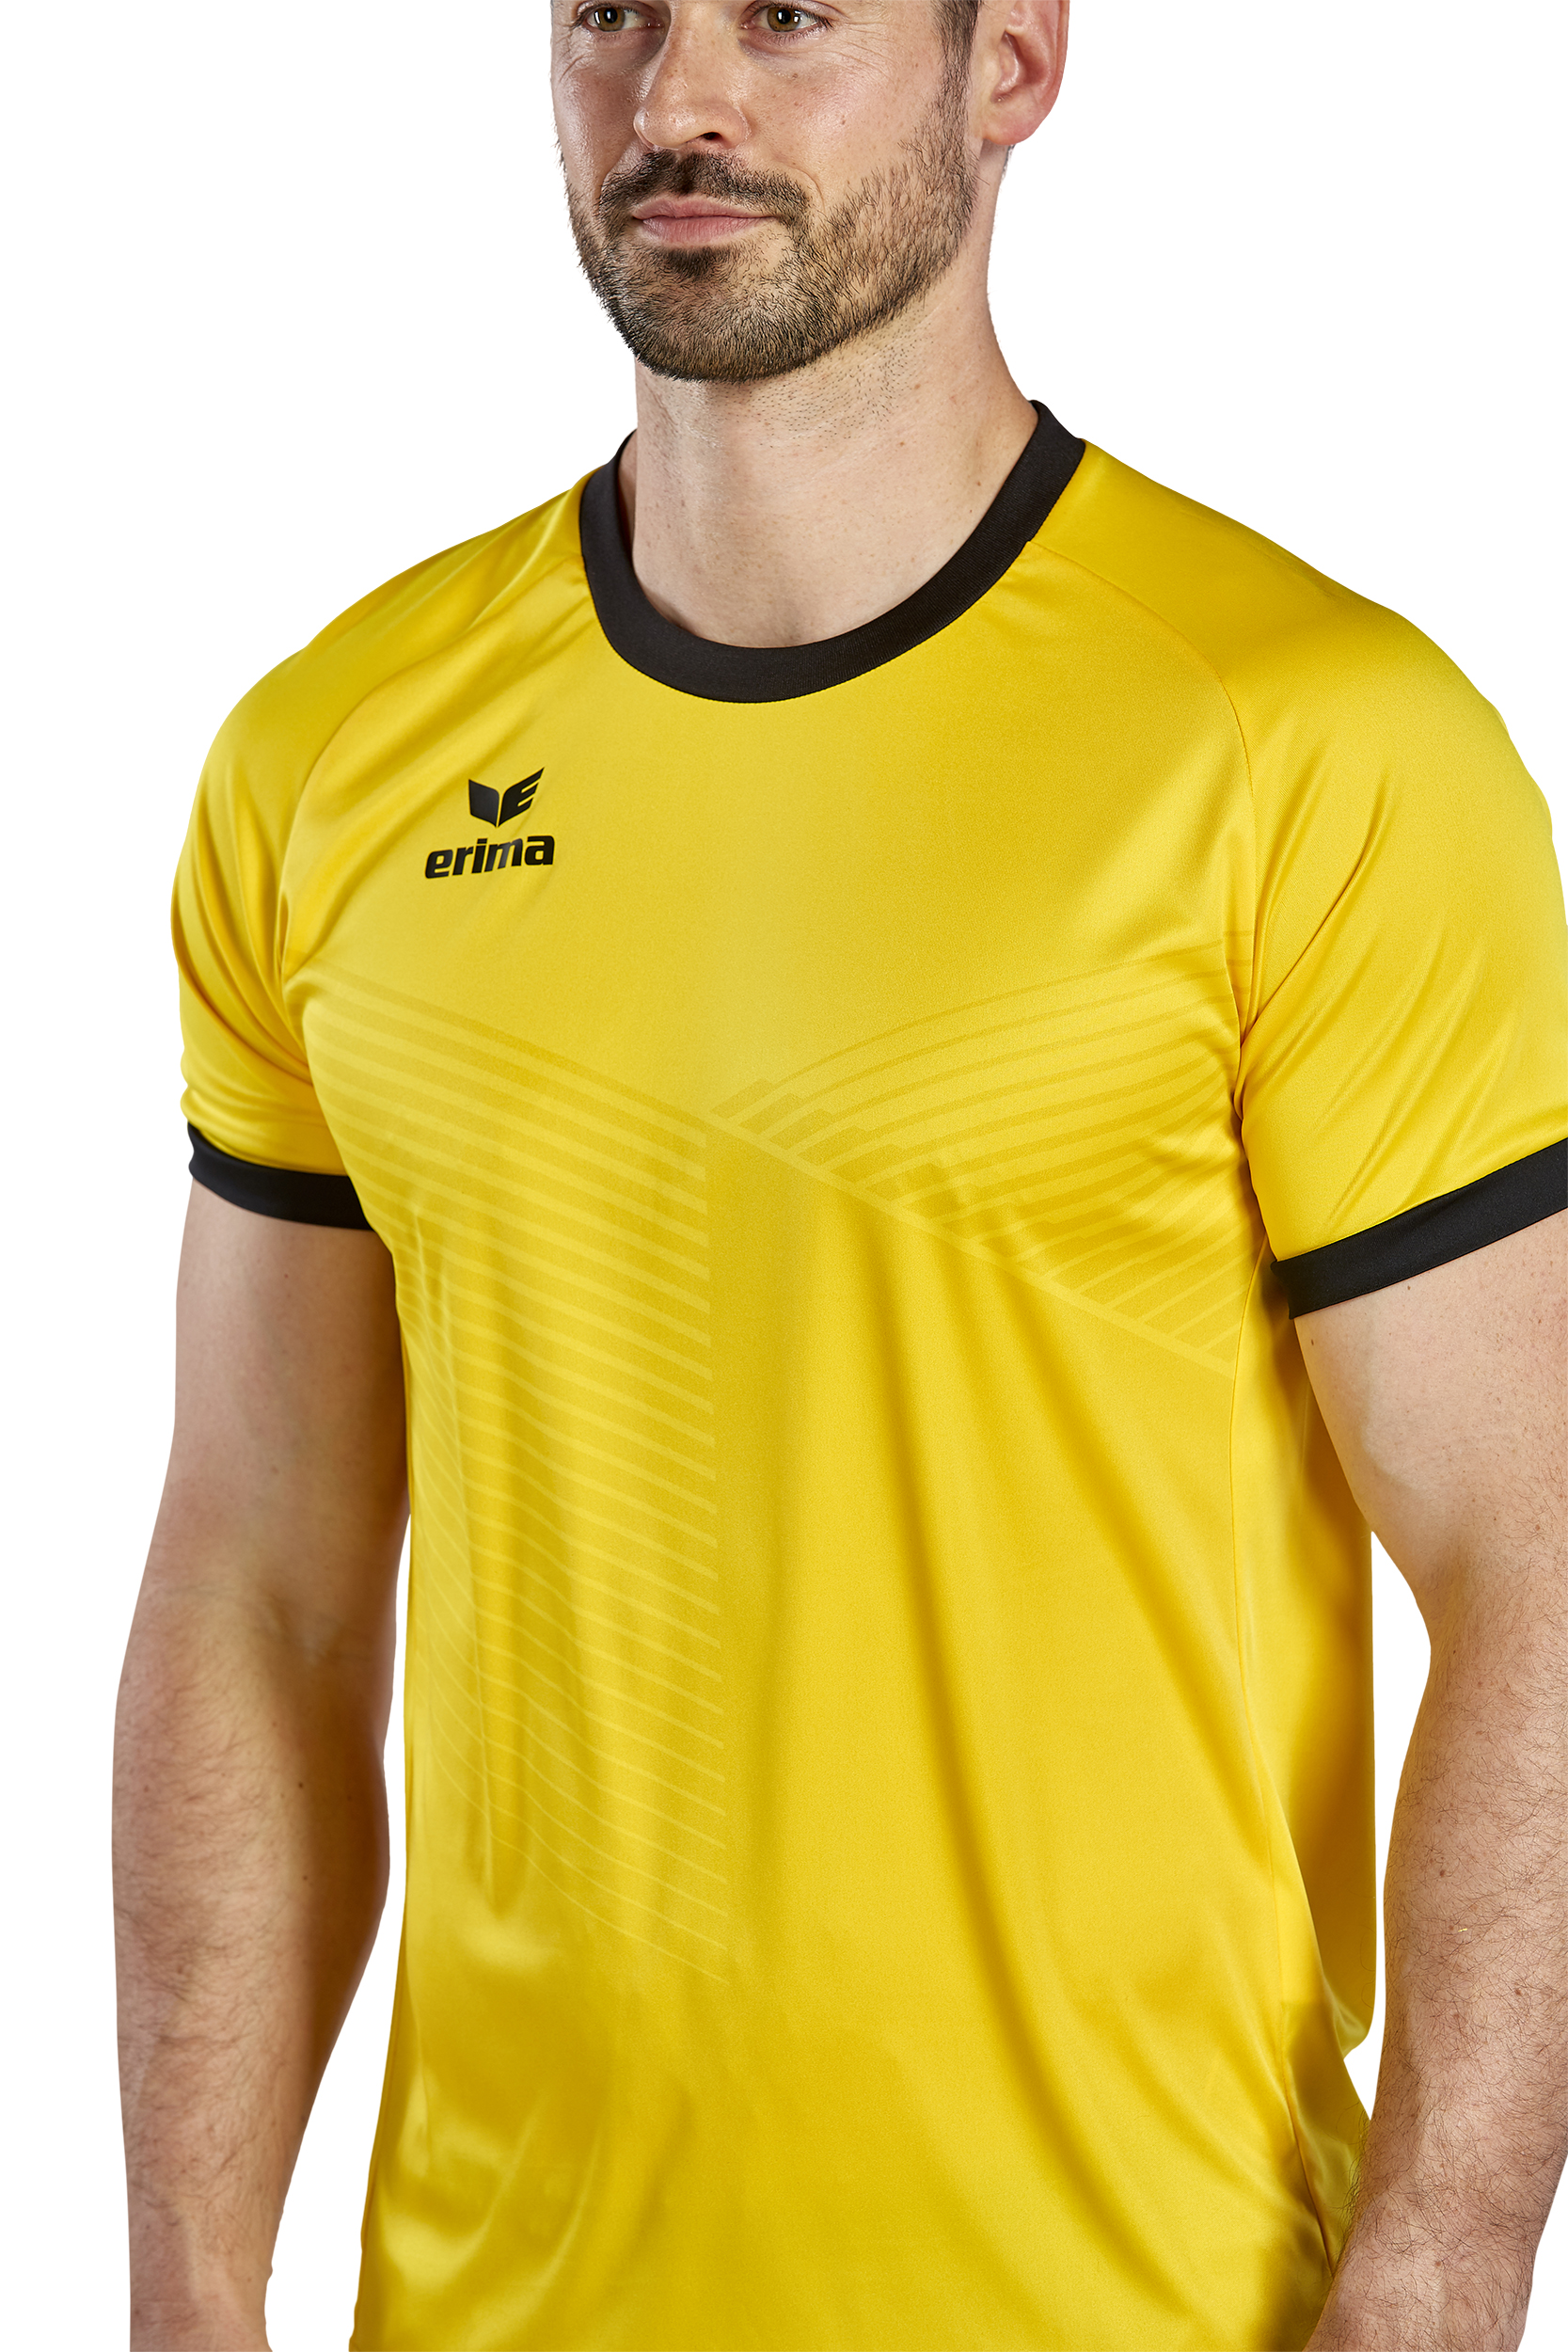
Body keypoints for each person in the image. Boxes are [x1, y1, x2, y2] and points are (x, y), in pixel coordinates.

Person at [113, 3, 1566, 2346]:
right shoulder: (326, 764)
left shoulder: (1315, 745)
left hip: (1144, 2302)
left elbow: (1537, 1561)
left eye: (791, 13)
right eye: (612, 14)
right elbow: (255, 1586)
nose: (678, 97)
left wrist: (1444, 2263)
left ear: (1014, 66)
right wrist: (187, 2295)